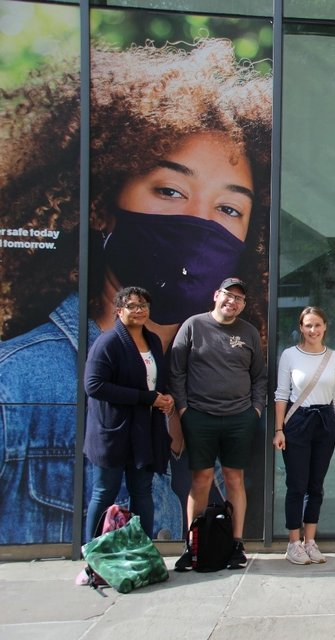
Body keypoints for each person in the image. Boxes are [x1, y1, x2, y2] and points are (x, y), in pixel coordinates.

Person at [0, 39, 271, 544]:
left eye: (229, 209)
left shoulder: (208, 366)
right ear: (103, 205)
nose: (198, 222)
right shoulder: (16, 385)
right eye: (170, 190)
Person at [169, 277, 267, 570]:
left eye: (239, 298)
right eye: (228, 295)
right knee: (201, 479)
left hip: (240, 418)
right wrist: (185, 410)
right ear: (216, 295)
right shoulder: (193, 326)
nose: (232, 301)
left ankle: (237, 545)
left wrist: (256, 411)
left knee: (234, 478)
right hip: (200, 416)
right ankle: (193, 544)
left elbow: (259, 376)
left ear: (243, 305)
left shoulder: (248, 332)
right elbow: (177, 371)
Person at [83, 286, 176, 540]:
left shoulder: (153, 341)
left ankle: (142, 551)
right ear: (119, 310)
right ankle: (93, 556)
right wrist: (147, 398)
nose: (139, 311)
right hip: (113, 432)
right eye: (132, 306)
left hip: (144, 432)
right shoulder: (108, 342)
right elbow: (94, 386)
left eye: (143, 305)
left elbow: (154, 381)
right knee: (104, 492)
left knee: (142, 492)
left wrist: (164, 396)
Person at [274, 306, 335, 565]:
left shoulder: (334, 357)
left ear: (325, 326)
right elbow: (282, 393)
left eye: (317, 325)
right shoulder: (290, 355)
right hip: (298, 422)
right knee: (296, 484)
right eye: (308, 325)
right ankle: (293, 543)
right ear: (301, 328)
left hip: (325, 422)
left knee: (316, 485)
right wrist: (279, 430)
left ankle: (310, 541)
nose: (313, 330)